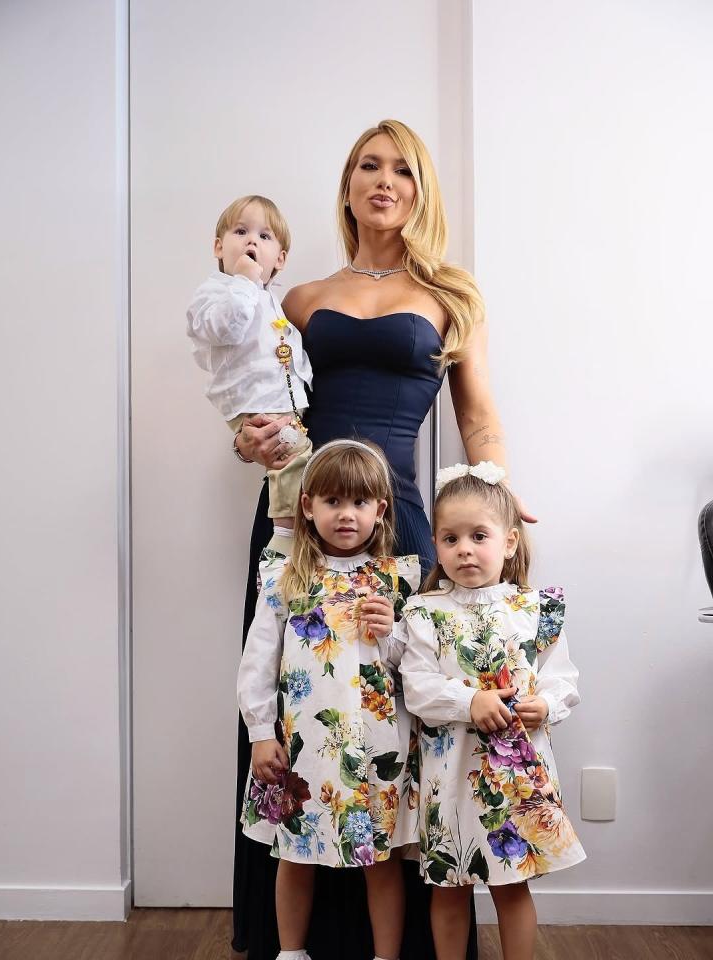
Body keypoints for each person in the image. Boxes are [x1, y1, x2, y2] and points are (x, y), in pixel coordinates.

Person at [232, 119, 534, 959]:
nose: (384, 180)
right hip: (301, 522)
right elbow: (261, 409)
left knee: (404, 714)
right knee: (293, 704)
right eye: (369, 165)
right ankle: (293, 940)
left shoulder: (451, 295)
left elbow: (478, 417)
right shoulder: (298, 298)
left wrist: (498, 499)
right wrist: (248, 441)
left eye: (402, 169)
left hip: (400, 521)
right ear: (348, 185)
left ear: (419, 190)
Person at [237, 439, 420, 960]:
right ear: (308, 505)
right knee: (294, 851)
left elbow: (413, 667)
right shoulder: (286, 576)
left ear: (380, 510)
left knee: (380, 858)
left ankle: (386, 956)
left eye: (359, 502)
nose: (346, 514)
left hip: (377, 746)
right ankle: (291, 952)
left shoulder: (395, 578)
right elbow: (258, 661)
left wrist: (392, 632)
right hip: (304, 748)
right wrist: (260, 732)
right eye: (333, 501)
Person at [399, 463, 586, 960]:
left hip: (514, 777)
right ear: (436, 545)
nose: (464, 549)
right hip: (450, 775)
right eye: (450, 538)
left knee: (512, 884)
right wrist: (469, 701)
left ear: (509, 542)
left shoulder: (534, 609)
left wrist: (545, 704)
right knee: (449, 887)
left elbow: (562, 677)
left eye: (478, 536)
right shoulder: (424, 612)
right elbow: (417, 687)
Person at [186, 195, 312, 546]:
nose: (252, 241)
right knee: (291, 461)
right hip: (255, 402)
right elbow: (225, 328)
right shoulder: (217, 292)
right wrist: (243, 281)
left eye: (264, 236)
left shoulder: (269, 298)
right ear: (218, 247)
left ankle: (291, 532)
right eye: (241, 232)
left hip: (279, 401)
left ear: (280, 259)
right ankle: (285, 538)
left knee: (297, 462)